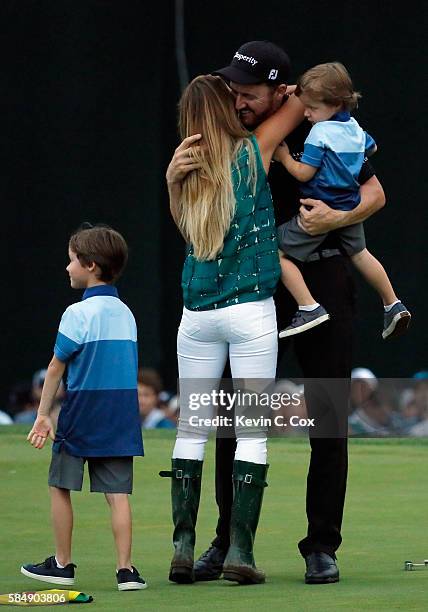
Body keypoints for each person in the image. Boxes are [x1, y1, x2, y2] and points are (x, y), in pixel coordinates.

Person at [167, 40, 386, 585]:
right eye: (233, 93)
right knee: (226, 418)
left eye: (248, 93)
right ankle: (225, 541)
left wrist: (335, 219)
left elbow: (377, 191)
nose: (238, 101)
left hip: (322, 275)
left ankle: (321, 545)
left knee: (328, 412)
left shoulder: (322, 121)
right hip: (246, 289)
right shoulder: (230, 135)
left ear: (279, 91)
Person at [162, 70, 305, 585]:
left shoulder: (183, 166)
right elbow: (304, 98)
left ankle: (183, 546)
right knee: (252, 432)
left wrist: (170, 179)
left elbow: (187, 225)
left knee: (191, 429)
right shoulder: (251, 151)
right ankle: (240, 552)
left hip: (197, 315)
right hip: (249, 312)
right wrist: (284, 92)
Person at [20, 224, 147, 592]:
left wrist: (43, 414)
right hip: (121, 419)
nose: (67, 268)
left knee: (59, 485)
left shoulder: (77, 313)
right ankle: (126, 571)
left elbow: (57, 366)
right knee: (118, 495)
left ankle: (62, 564)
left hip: (81, 414)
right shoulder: (126, 313)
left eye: (72, 261)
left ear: (91, 265)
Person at [274, 62, 410, 339]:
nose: (307, 113)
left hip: (318, 208)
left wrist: (284, 157)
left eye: (311, 108)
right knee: (361, 254)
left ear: (335, 103)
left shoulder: (319, 134)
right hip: (350, 204)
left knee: (275, 252)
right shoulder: (355, 129)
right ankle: (392, 303)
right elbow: (372, 148)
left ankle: (309, 306)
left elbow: (304, 173)